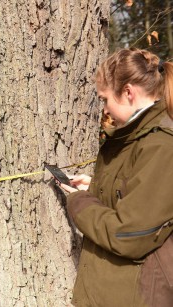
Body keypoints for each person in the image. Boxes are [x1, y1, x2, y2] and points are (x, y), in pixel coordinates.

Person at [59, 48, 173, 306]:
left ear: (129, 92)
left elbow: (129, 234)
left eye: (105, 99)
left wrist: (79, 201)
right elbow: (137, 196)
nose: (105, 109)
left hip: (136, 296)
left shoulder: (161, 145)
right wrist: (95, 186)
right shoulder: (137, 136)